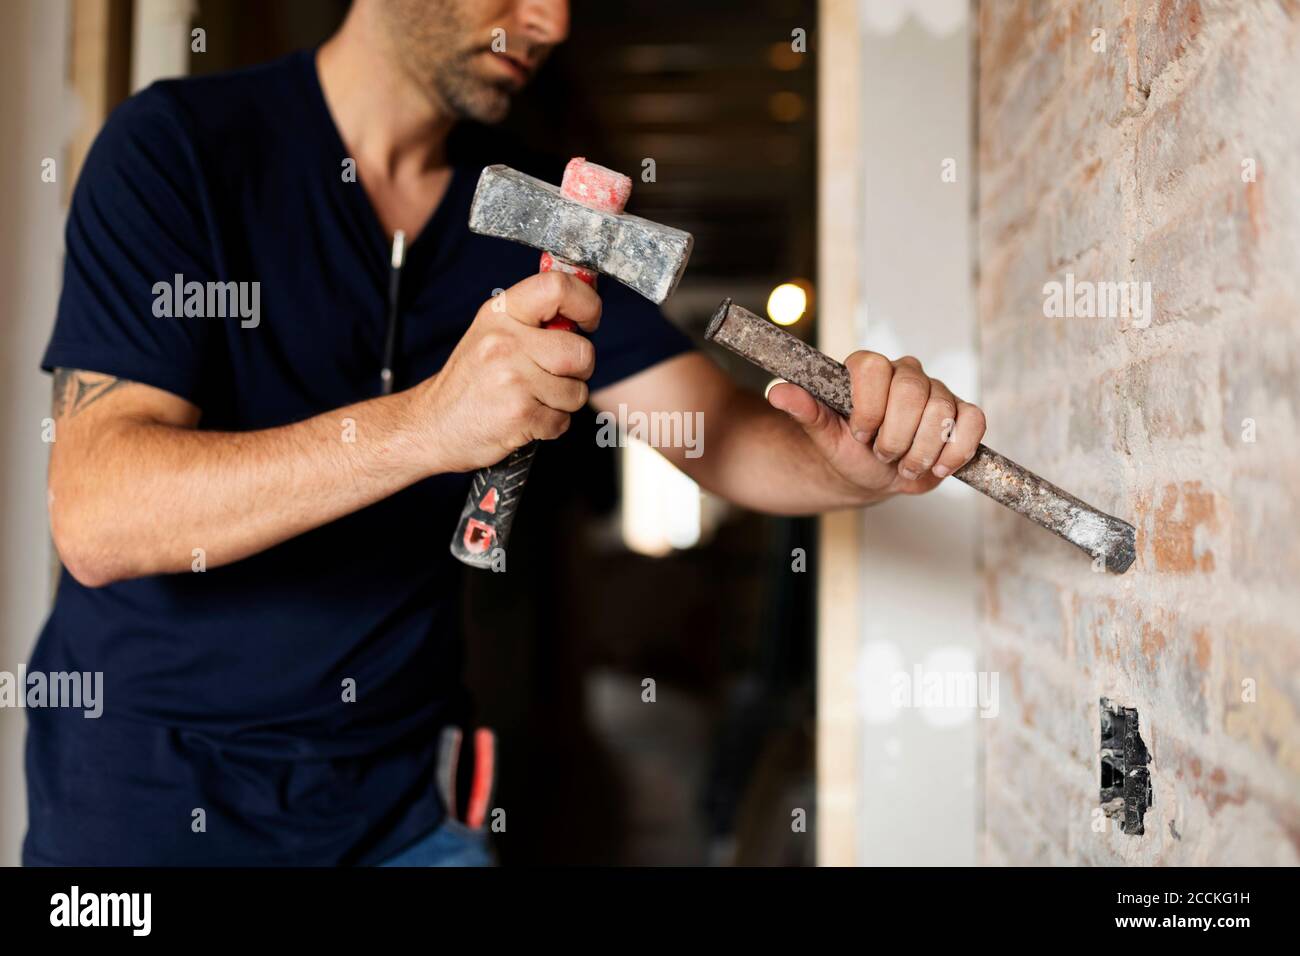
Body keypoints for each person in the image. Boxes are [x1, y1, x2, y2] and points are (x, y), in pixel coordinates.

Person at [28, 0, 985, 866]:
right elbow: (100, 512)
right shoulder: (178, 151)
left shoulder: (540, 223)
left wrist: (847, 467)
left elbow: (721, 435)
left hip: (401, 815)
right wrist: (428, 426)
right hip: (148, 812)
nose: (555, 21)